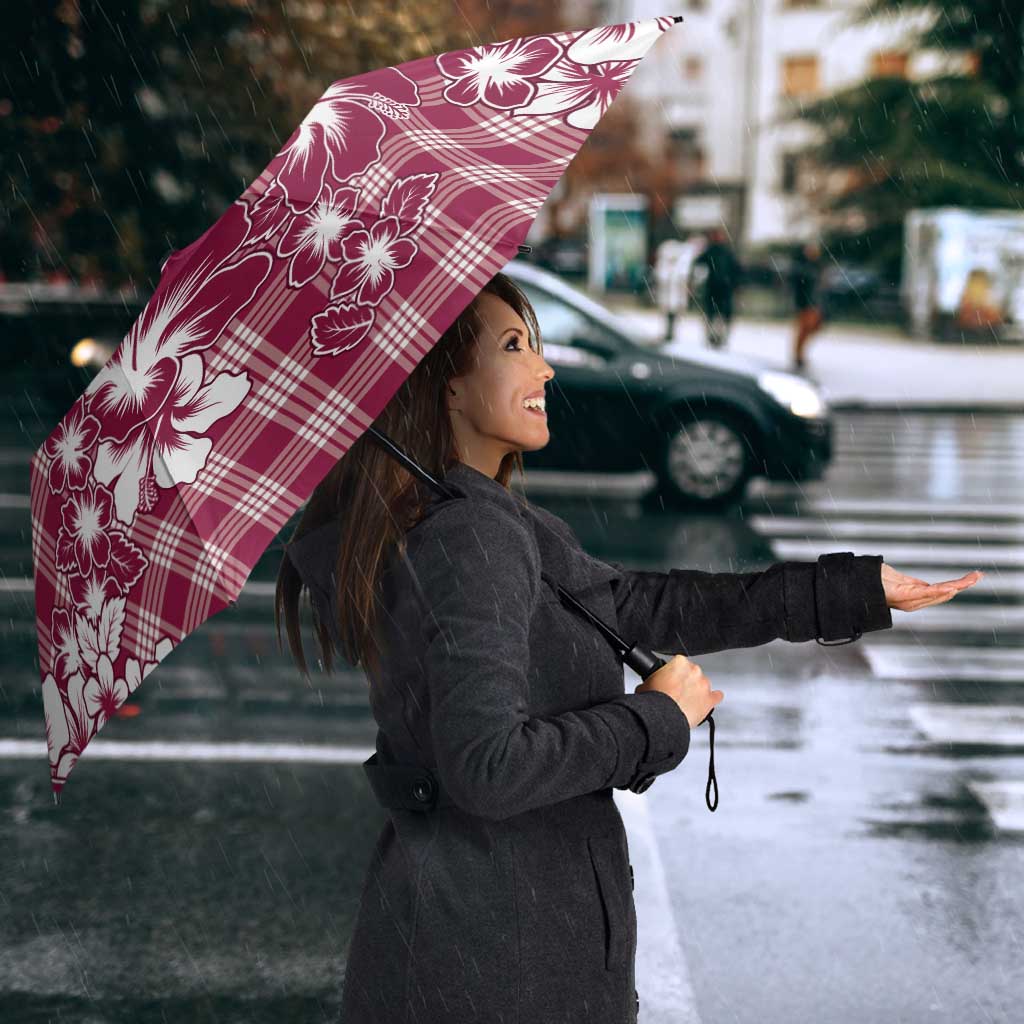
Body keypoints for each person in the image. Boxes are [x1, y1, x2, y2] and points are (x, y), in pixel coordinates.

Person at [276, 271, 980, 1024]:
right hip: (497, 963)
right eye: (514, 346)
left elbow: (642, 605)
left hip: (481, 942)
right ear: (446, 386)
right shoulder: (469, 537)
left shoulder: (479, 519)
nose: (544, 368)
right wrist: (654, 719)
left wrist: (850, 591)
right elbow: (487, 768)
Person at [692, 226, 742, 349]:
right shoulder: (712, 251)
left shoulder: (725, 252)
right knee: (713, 314)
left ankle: (719, 337)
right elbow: (698, 264)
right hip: (715, 288)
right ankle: (713, 337)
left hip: (723, 288)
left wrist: (735, 284)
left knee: (720, 315)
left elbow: (736, 270)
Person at [790, 239, 826, 370]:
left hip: (814, 303)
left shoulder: (817, 266)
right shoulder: (802, 267)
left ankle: (799, 354)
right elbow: (799, 286)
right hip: (805, 303)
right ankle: (798, 355)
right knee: (804, 329)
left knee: (812, 328)